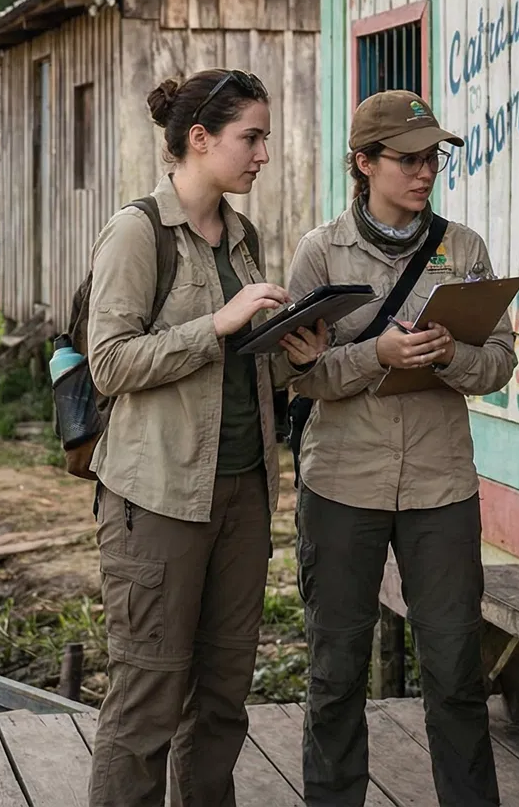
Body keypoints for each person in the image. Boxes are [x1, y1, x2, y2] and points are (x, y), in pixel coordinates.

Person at [84, 69, 324, 807]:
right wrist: (216, 324)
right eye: (251, 138)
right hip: (158, 499)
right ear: (199, 138)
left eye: (265, 139)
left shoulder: (243, 237)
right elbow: (109, 363)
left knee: (222, 697)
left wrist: (294, 355)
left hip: (244, 493)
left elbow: (238, 369)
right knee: (147, 700)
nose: (263, 155)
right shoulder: (138, 232)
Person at [284, 90, 517, 807]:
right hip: (341, 484)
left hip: (441, 489)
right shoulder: (320, 252)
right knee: (335, 673)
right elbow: (297, 375)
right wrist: (375, 355)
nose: (424, 173)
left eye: (433, 159)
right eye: (408, 159)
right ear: (364, 162)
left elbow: (499, 362)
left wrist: (450, 355)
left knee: (456, 671)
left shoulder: (463, 248)